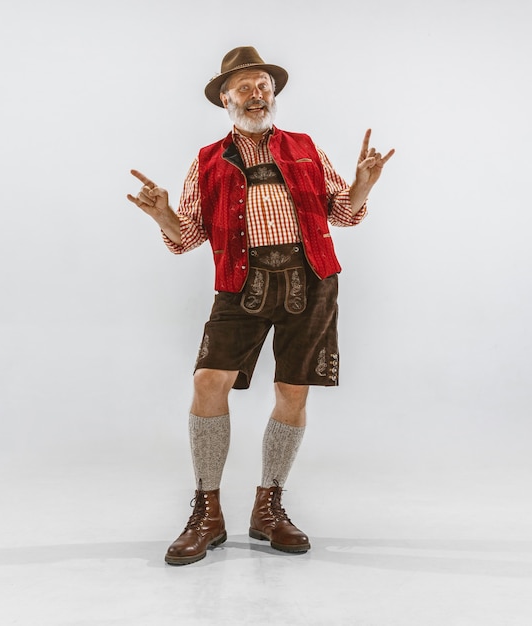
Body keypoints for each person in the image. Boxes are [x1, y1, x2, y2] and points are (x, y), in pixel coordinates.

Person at [127, 46, 394, 566]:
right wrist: (162, 215)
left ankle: (268, 506)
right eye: (245, 87)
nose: (258, 94)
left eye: (264, 86)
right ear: (224, 99)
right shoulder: (207, 160)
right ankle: (208, 511)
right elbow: (186, 238)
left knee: (293, 388)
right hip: (240, 283)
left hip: (311, 278)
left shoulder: (304, 146)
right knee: (209, 380)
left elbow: (343, 213)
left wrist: (362, 185)